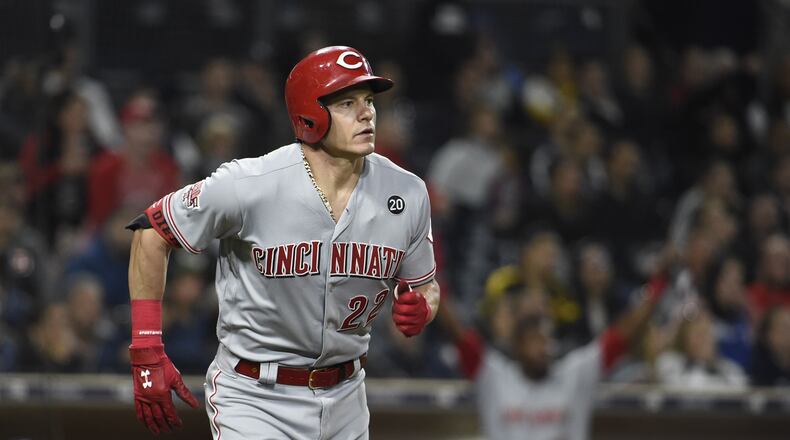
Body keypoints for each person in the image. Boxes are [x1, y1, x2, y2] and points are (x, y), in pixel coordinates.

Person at [125, 46, 439, 438]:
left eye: (368, 101)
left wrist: (423, 305)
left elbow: (424, 284)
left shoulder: (407, 192)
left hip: (347, 398)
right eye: (346, 103)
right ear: (310, 115)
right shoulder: (250, 185)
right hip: (256, 396)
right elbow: (151, 232)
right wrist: (147, 349)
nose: (367, 113)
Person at [439, 266, 669, 440]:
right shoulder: (494, 376)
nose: (544, 347)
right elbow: (458, 333)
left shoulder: (575, 374)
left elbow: (622, 336)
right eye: (534, 341)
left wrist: (658, 284)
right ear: (518, 347)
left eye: (547, 340)